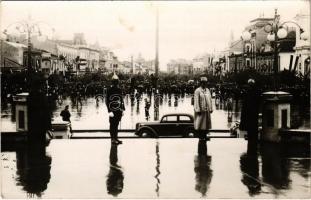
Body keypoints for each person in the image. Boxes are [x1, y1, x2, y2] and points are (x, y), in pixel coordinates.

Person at [240, 78, 260, 155]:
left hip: (250, 113)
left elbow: (245, 104)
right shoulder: (255, 92)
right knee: (252, 129)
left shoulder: (248, 92)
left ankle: (251, 143)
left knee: (251, 130)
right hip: (252, 114)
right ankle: (252, 143)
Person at [106, 73, 125, 145]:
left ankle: (116, 138)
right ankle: (112, 139)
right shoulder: (109, 90)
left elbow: (121, 100)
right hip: (112, 110)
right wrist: (109, 111)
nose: (116, 83)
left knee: (116, 124)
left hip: (118, 110)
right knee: (112, 125)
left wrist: (122, 109)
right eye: (115, 81)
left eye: (116, 81)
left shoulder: (119, 90)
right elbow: (107, 101)